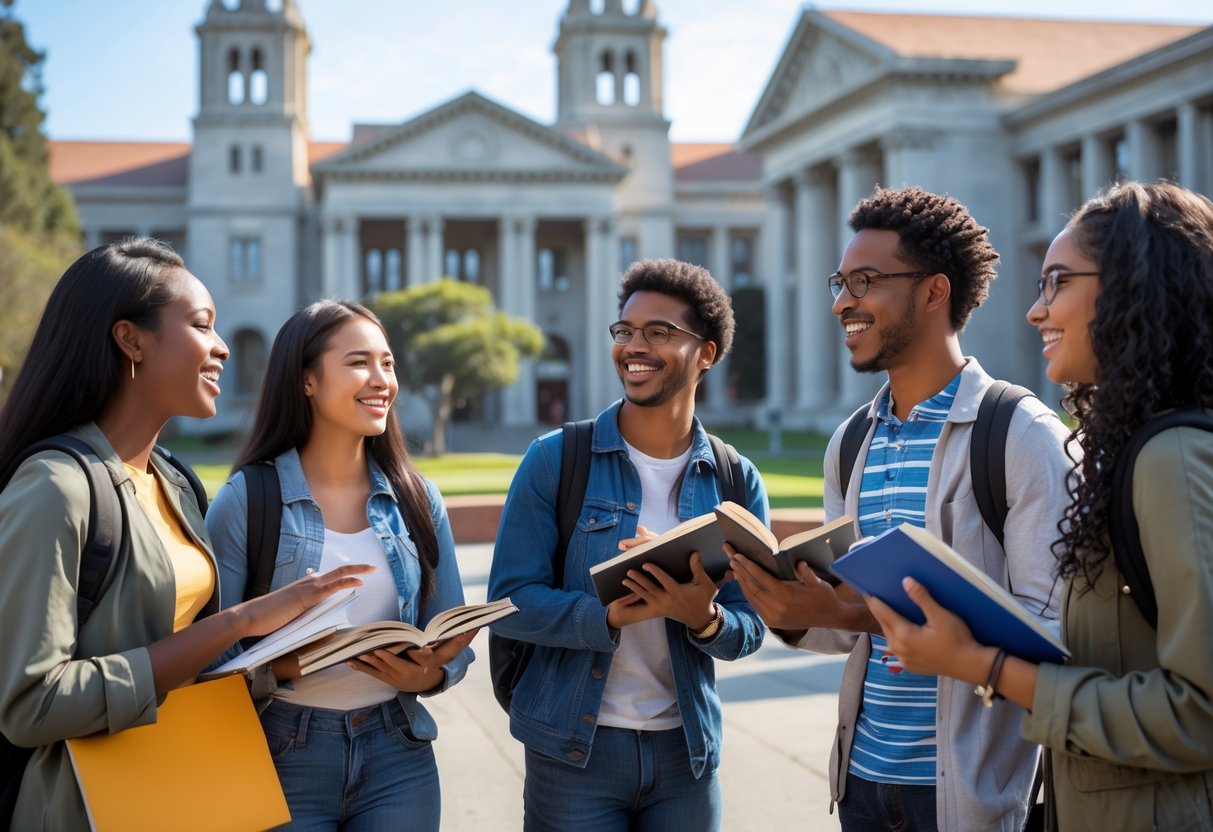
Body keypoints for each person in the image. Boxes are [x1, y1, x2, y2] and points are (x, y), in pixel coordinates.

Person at [866, 180, 1213, 830]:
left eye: (1056, 283)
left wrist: (979, 665)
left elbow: (1198, 714)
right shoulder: (1130, 446)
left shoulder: (1171, 458)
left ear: (1134, 291)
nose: (1034, 312)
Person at [729, 186, 1072, 830]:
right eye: (840, 282)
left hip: (970, 795)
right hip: (862, 784)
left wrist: (855, 613)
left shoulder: (1020, 434)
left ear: (934, 291)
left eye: (865, 280)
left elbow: (1051, 640)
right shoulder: (851, 442)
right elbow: (852, 623)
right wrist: (798, 612)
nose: (842, 303)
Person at [0, 239, 367, 831]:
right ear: (132, 339)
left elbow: (179, 658)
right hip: (87, 808)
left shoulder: (173, 482)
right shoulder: (54, 488)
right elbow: (31, 704)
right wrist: (239, 622)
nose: (223, 347)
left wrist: (276, 664)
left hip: (184, 793)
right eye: (201, 325)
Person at [487, 258, 768, 832]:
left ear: (707, 353)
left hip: (686, 756)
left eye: (659, 332)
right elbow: (511, 602)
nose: (633, 346)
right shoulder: (554, 461)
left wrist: (704, 618)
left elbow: (751, 628)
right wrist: (608, 614)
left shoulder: (737, 481)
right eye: (625, 331)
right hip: (573, 753)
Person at [205, 299, 473, 832]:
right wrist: (285, 664)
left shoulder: (419, 498)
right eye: (359, 362)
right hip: (282, 751)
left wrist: (432, 671)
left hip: (398, 751)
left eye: (389, 363)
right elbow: (206, 654)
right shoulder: (248, 497)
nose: (382, 381)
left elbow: (452, 631)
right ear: (306, 380)